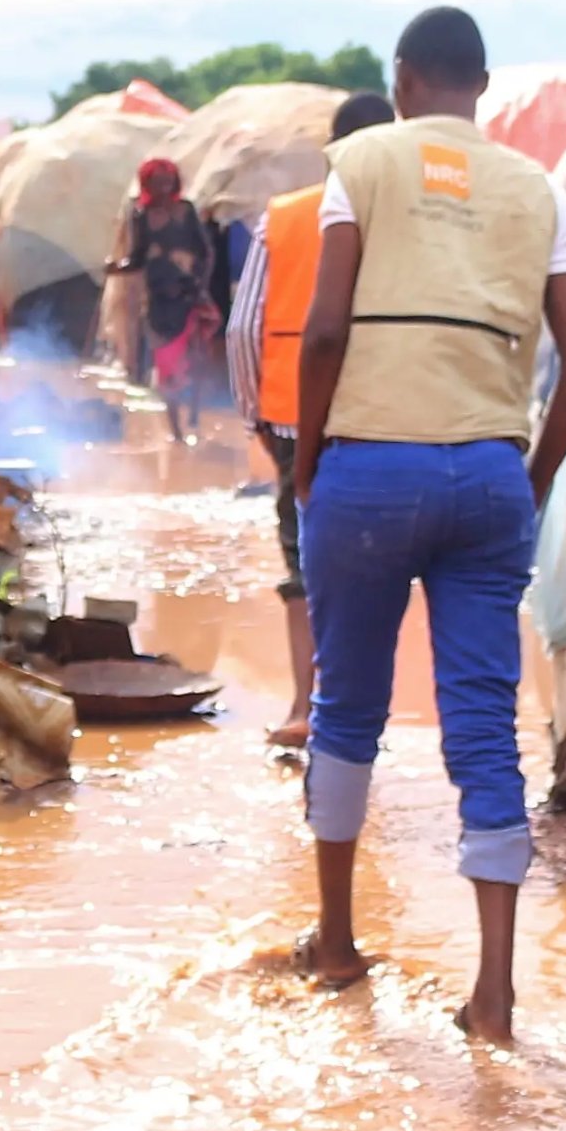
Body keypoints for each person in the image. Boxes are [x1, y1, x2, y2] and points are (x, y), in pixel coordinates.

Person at [287, 7, 566, 1046]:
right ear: (478, 86)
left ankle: (335, 947)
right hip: (487, 476)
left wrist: (305, 465)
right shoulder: (539, 189)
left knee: (347, 709)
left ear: (402, 78)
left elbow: (326, 328)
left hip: (367, 473)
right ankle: (495, 998)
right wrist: (534, 476)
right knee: (481, 726)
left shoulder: (361, 163)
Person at [227, 89, 398, 747]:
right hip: (381, 418)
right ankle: (361, 708)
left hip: (293, 418)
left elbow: (245, 329)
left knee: (305, 563)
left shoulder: (288, 217)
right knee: (374, 564)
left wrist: (256, 417)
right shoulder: (409, 221)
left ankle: (306, 706)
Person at [103, 158, 227, 443]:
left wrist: (199, 283)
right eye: (157, 182)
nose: (163, 187)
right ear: (147, 184)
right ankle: (177, 432)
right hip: (160, 303)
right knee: (167, 367)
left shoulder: (186, 211)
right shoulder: (141, 215)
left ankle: (194, 414)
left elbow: (206, 251)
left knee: (196, 361)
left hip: (190, 296)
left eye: (167, 181)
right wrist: (116, 267)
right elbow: (137, 258)